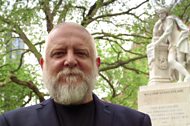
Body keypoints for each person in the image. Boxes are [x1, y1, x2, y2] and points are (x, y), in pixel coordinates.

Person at [0, 23, 151, 126]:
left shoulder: (135, 122)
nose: (70, 61)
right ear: (43, 65)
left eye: (81, 53)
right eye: (59, 53)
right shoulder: (11, 123)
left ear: (96, 65)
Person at [150, 7, 190, 83]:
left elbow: (168, 32)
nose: (161, 15)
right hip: (171, 44)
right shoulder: (162, 24)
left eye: (162, 13)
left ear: (166, 13)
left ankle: (181, 80)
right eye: (159, 14)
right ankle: (188, 75)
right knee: (171, 61)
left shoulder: (169, 19)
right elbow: (156, 34)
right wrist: (156, 25)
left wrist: (157, 43)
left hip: (179, 40)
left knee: (180, 61)